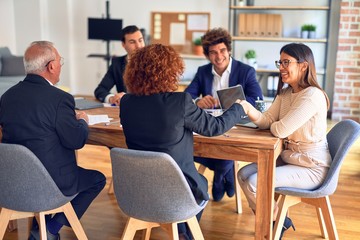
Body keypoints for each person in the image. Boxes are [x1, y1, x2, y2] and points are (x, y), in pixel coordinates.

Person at [120, 44, 246, 240]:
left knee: (199, 181)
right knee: (201, 183)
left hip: (139, 190)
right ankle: (183, 233)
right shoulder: (180, 102)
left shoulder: (127, 102)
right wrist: (238, 108)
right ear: (170, 71)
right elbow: (214, 127)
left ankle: (181, 232)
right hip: (177, 190)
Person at [0, 41, 106, 240]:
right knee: (97, 179)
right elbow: (76, 141)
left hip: (11, 185)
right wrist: (82, 120)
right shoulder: (59, 99)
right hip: (51, 186)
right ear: (51, 66)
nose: (60, 66)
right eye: (60, 61)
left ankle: (40, 229)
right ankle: (51, 227)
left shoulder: (7, 97)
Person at [237, 43, 331, 239]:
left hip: (311, 166)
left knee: (254, 182)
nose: (280, 67)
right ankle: (277, 221)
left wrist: (275, 124)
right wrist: (247, 108)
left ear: (303, 66)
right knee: (243, 174)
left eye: (286, 62)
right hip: (291, 159)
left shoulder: (312, 96)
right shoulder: (286, 93)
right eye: (280, 62)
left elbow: (280, 129)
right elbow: (267, 121)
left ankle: (274, 223)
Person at [184, 27, 263, 202]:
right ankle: (225, 174)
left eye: (222, 51)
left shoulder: (246, 71)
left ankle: (219, 179)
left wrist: (233, 103)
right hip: (210, 125)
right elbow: (187, 95)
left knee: (225, 148)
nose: (218, 57)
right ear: (207, 55)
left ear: (229, 50)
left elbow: (257, 99)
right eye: (213, 53)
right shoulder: (203, 72)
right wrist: (198, 101)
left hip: (237, 125)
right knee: (205, 147)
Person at [94, 25, 145, 105]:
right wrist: (112, 98)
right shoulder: (116, 63)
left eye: (140, 40)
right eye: (132, 42)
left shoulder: (154, 63)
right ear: (123, 45)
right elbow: (100, 90)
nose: (138, 46)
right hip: (125, 110)